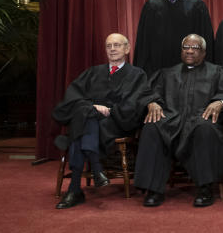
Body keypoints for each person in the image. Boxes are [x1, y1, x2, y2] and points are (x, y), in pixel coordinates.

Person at [134, 34, 223, 207]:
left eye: (195, 48)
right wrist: (152, 102)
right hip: (171, 120)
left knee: (205, 129)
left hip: (201, 119)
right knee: (152, 127)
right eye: (186, 47)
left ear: (204, 52)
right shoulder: (167, 74)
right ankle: (153, 189)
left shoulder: (217, 72)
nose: (190, 51)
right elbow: (147, 93)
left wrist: (220, 102)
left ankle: (205, 188)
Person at [52, 33, 154, 209]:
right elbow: (72, 97)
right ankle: (96, 170)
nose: (112, 49)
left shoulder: (137, 74)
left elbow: (135, 104)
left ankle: (75, 188)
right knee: (86, 114)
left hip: (116, 122)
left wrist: (109, 111)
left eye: (117, 45)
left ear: (127, 49)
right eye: (108, 46)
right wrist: (93, 107)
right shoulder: (93, 72)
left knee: (80, 123)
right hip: (92, 121)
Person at [133, 0, 214, 75]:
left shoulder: (197, 6)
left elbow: (206, 43)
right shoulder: (151, 7)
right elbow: (142, 44)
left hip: (189, 73)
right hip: (156, 73)